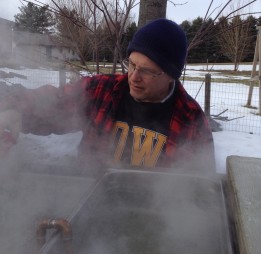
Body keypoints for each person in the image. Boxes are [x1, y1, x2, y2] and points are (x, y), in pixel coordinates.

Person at [0, 18, 215, 172]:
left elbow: (200, 188)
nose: (134, 76)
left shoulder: (191, 119)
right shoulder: (101, 91)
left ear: (171, 75)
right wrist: (15, 109)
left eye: (147, 71)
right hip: (91, 202)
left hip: (156, 217)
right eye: (131, 64)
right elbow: (54, 103)